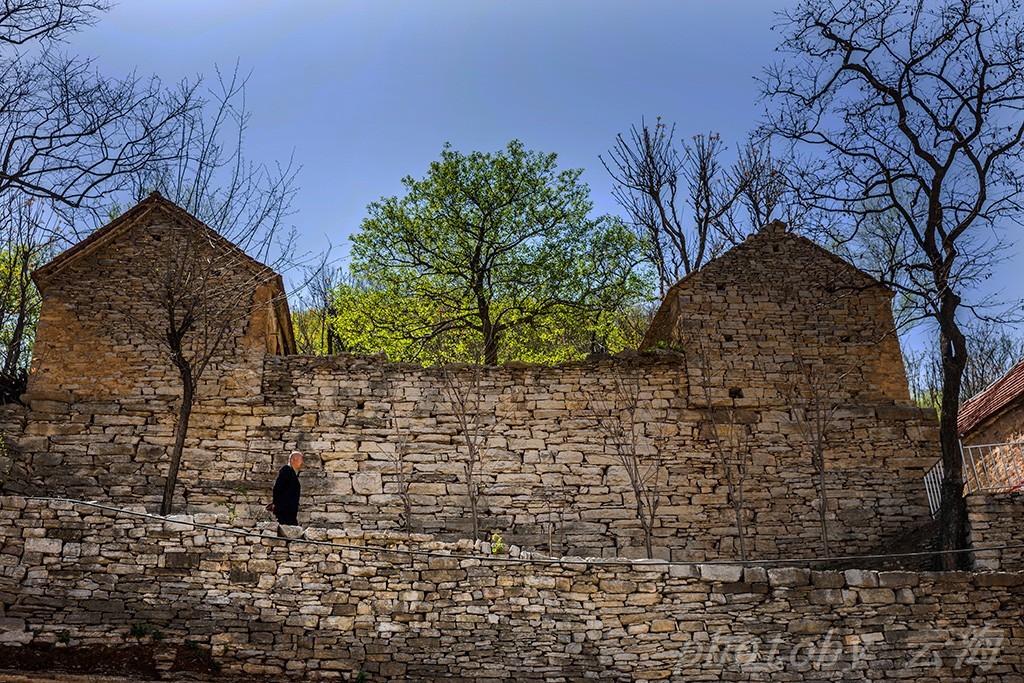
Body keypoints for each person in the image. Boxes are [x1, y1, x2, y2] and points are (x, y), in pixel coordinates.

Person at [268, 451, 303, 525]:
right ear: (294, 459)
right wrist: (275, 503)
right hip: (284, 509)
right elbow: (278, 487)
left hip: (289, 510)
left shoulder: (292, 473)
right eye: (301, 459)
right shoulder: (286, 470)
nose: (302, 462)